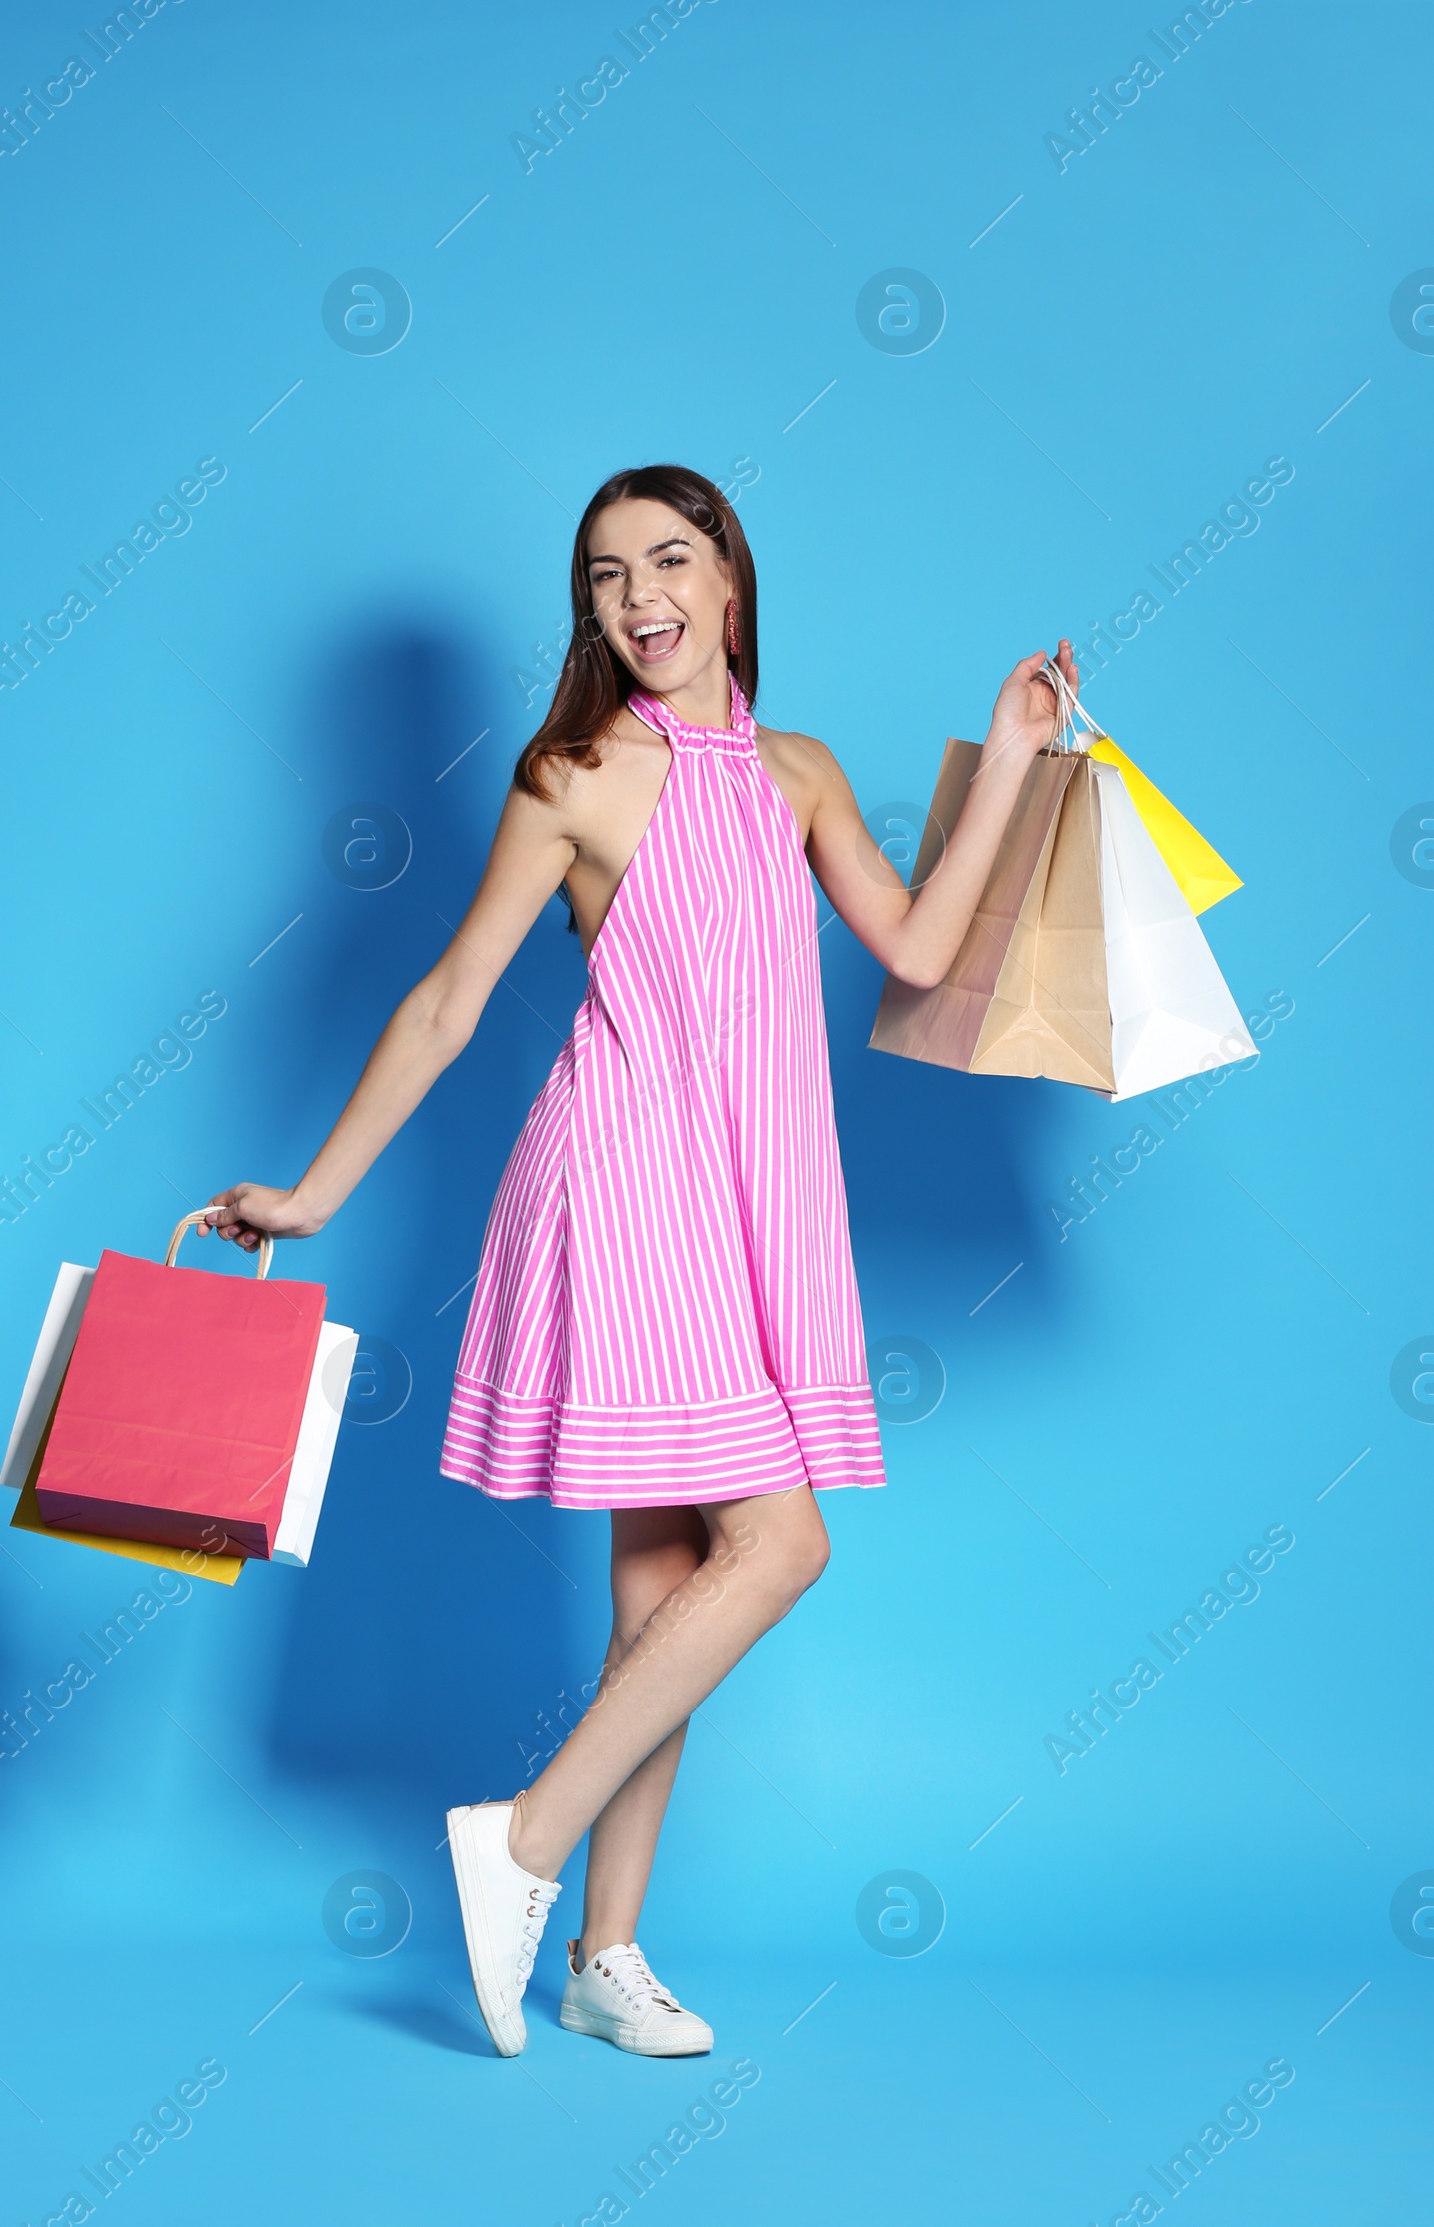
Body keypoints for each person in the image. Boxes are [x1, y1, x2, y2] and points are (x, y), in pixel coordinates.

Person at [198, 463, 1079, 2060]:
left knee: (668, 1587)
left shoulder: (797, 774)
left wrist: (1011, 754)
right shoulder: (575, 774)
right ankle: (522, 1841)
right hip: (624, 1195)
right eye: (605, 576)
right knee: (782, 1547)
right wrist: (319, 1193)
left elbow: (926, 953)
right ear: (589, 610)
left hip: (758, 1206)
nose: (636, 597)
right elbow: (454, 996)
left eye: (666, 561)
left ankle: (605, 1954)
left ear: (730, 578)